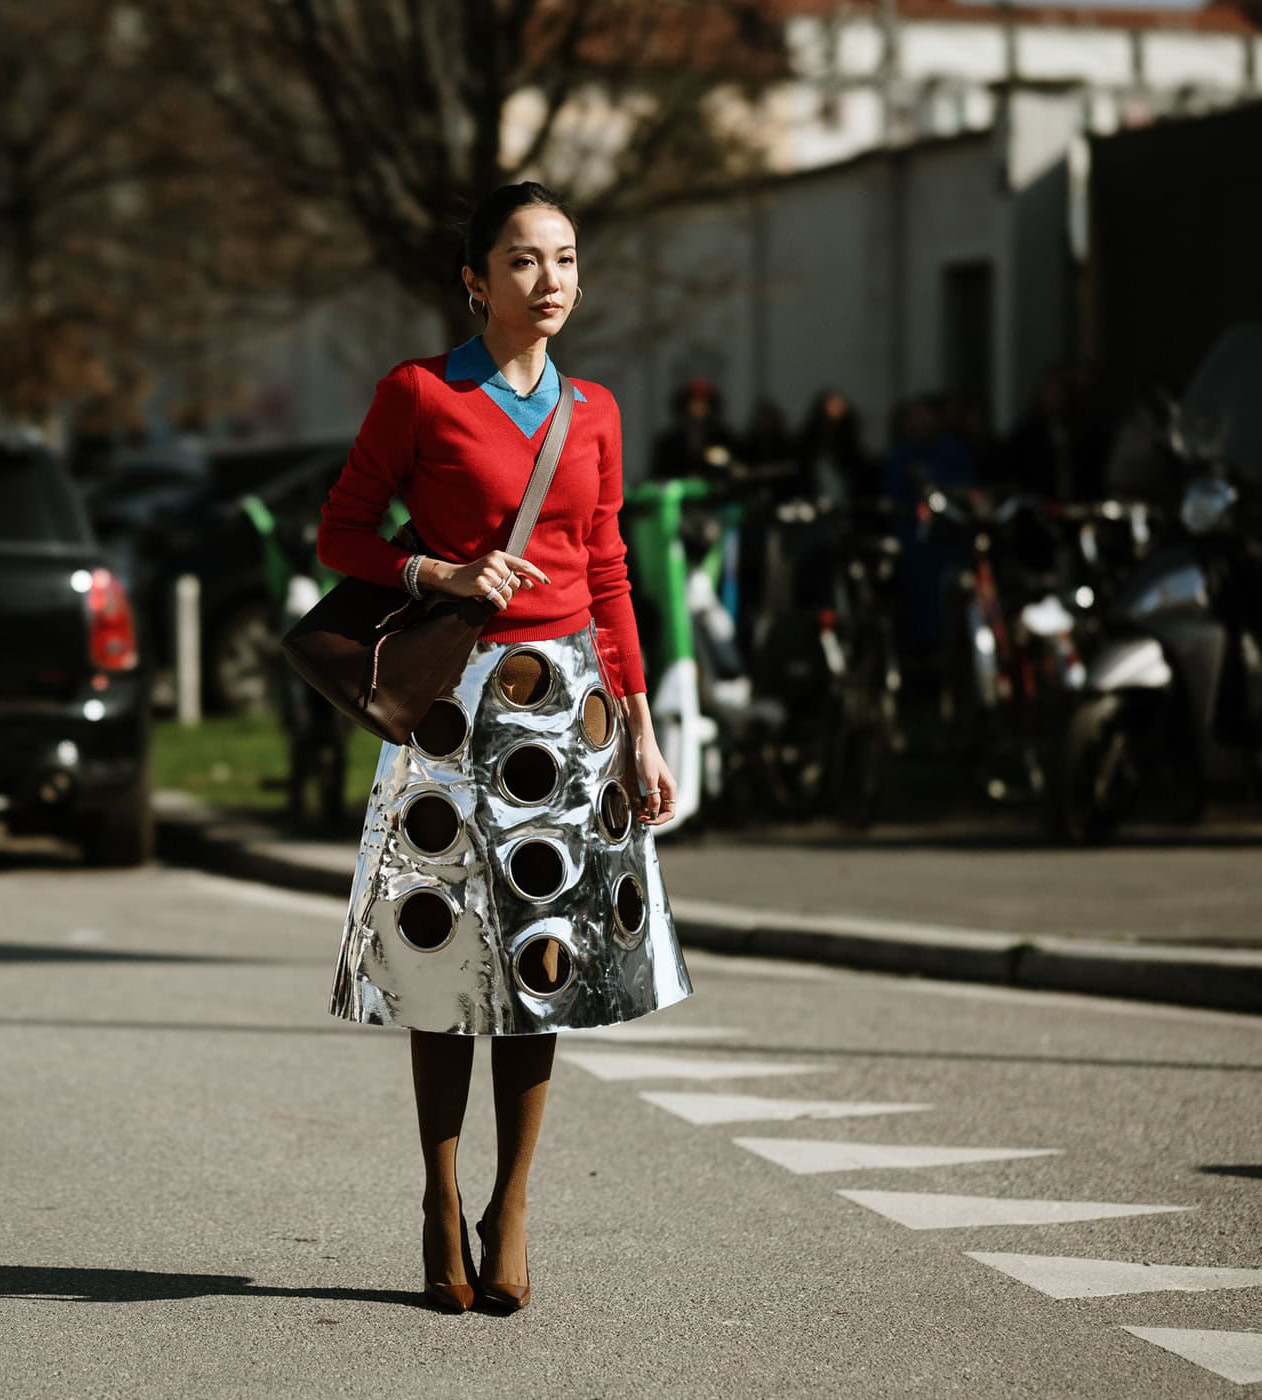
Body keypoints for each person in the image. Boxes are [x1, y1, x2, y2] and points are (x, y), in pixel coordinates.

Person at [316, 182, 689, 1315]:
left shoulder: (599, 411)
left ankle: (512, 1202)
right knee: (443, 959)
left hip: (567, 715)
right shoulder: (420, 393)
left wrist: (639, 723)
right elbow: (342, 529)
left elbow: (610, 565)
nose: (552, 282)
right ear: (476, 277)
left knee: (545, 962)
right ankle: (438, 1195)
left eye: (567, 259)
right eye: (525, 261)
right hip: (450, 713)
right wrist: (439, 571)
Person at [650, 376, 732, 481]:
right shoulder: (669, 443)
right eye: (694, 402)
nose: (698, 409)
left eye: (703, 403)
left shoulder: (723, 439)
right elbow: (659, 476)